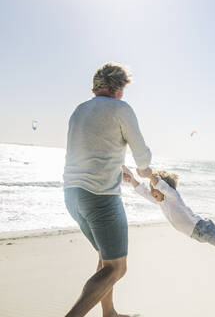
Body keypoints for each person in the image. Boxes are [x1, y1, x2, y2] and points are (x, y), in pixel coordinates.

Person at [63, 63, 152, 317]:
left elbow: (90, 150)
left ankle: (109, 313)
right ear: (118, 87)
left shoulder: (79, 110)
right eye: (123, 89)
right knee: (117, 268)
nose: (123, 94)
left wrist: (117, 166)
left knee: (105, 258)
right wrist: (145, 172)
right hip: (101, 199)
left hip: (72, 196)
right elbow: (142, 156)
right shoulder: (120, 108)